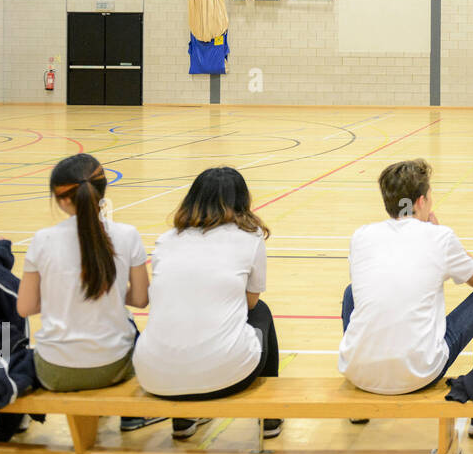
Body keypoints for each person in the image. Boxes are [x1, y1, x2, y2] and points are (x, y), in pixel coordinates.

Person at [338, 159, 473, 438]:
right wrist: (439, 233)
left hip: (357, 372)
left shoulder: (362, 236)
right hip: (418, 371)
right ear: (421, 201)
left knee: (351, 292)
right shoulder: (439, 237)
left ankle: (360, 402)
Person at [132, 168, 282, 439]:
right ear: (242, 200)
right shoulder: (250, 236)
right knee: (261, 312)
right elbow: (250, 302)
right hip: (226, 376)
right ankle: (269, 416)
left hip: (153, 376)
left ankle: (182, 419)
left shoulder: (166, 240)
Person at [17, 154, 161, 433]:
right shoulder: (128, 234)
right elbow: (141, 299)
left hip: (54, 371)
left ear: (60, 199)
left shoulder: (42, 240)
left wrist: (64, 293)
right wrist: (111, 292)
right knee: (129, 325)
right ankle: (132, 416)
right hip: (113, 366)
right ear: (103, 190)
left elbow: (25, 307)